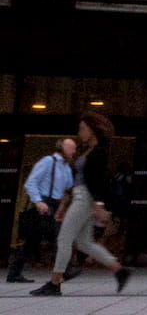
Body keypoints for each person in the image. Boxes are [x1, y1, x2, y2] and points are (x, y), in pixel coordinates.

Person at [30, 112, 130, 297]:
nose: (80, 132)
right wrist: (64, 205)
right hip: (80, 197)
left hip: (85, 198)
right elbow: (78, 179)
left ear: (92, 130)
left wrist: (98, 204)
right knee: (84, 243)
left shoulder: (99, 152)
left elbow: (98, 181)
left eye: (83, 128)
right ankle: (119, 269)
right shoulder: (89, 151)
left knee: (64, 239)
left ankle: (54, 283)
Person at [7, 138, 76, 284]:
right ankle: (67, 269)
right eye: (71, 148)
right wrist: (38, 201)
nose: (74, 152)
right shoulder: (48, 161)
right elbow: (31, 182)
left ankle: (14, 272)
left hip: (56, 204)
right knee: (59, 236)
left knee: (32, 239)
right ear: (62, 148)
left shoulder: (66, 166)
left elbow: (70, 185)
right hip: (45, 203)